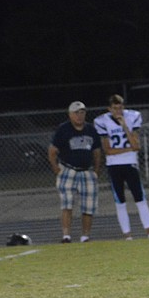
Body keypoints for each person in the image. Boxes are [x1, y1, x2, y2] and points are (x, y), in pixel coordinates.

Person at [94, 94, 149, 240]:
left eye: (120, 108)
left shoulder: (132, 117)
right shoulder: (101, 121)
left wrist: (125, 127)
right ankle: (127, 234)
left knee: (140, 197)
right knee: (120, 200)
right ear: (109, 109)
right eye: (115, 108)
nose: (118, 111)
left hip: (130, 163)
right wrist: (128, 149)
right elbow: (108, 150)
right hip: (114, 165)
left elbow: (137, 145)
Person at [47, 101, 102, 243]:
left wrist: (96, 170)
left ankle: (85, 236)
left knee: (88, 206)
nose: (79, 116)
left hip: (86, 171)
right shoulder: (64, 129)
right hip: (68, 169)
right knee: (67, 203)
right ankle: (66, 235)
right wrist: (56, 168)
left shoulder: (91, 130)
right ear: (70, 115)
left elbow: (96, 151)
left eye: (82, 113)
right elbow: (52, 151)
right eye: (76, 113)